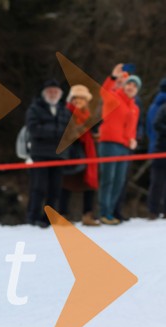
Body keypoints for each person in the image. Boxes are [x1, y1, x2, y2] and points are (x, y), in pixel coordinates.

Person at [25, 79, 72, 227]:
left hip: (59, 155)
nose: (53, 94)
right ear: (44, 93)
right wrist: (56, 132)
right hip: (40, 154)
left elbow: (70, 132)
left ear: (60, 94)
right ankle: (33, 216)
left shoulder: (65, 110)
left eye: (55, 91)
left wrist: (53, 132)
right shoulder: (34, 109)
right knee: (39, 187)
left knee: (55, 188)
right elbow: (34, 129)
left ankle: (49, 217)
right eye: (50, 91)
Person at [97, 65, 139, 225]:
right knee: (109, 179)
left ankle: (111, 211)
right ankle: (104, 212)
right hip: (109, 143)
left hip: (124, 146)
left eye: (135, 86)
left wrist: (133, 139)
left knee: (119, 180)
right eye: (129, 84)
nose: (131, 87)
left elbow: (132, 128)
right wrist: (113, 77)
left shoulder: (135, 107)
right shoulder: (113, 97)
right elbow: (103, 91)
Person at [58, 85, 100, 226]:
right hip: (71, 153)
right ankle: (62, 215)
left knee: (88, 184)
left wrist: (94, 134)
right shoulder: (65, 112)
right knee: (66, 184)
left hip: (86, 153)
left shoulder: (88, 114)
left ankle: (87, 215)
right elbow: (66, 132)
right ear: (72, 99)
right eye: (76, 98)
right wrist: (80, 131)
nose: (79, 101)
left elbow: (92, 132)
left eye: (82, 98)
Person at [149, 102, 166, 219]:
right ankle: (153, 211)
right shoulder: (164, 108)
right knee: (157, 181)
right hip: (161, 148)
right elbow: (156, 124)